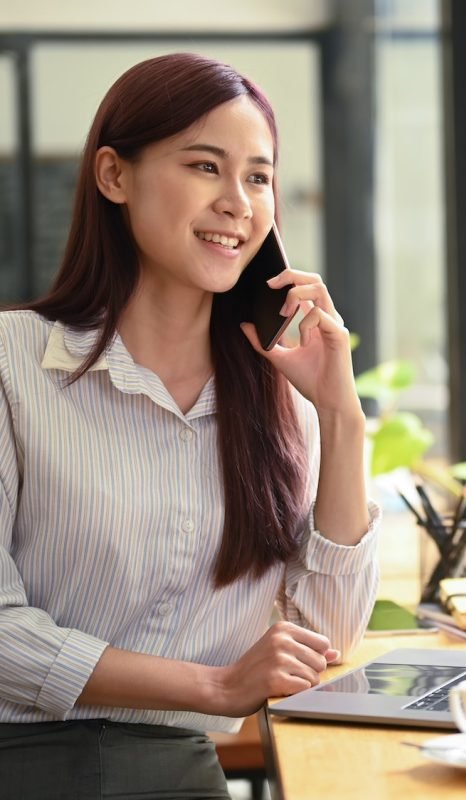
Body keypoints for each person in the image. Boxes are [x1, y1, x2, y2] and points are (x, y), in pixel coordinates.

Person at [0, 52, 380, 798]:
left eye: (259, 177)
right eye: (205, 167)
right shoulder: (13, 366)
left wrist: (340, 417)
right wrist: (213, 686)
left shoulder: (280, 409)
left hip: (177, 771)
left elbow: (327, 638)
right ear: (114, 176)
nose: (239, 202)